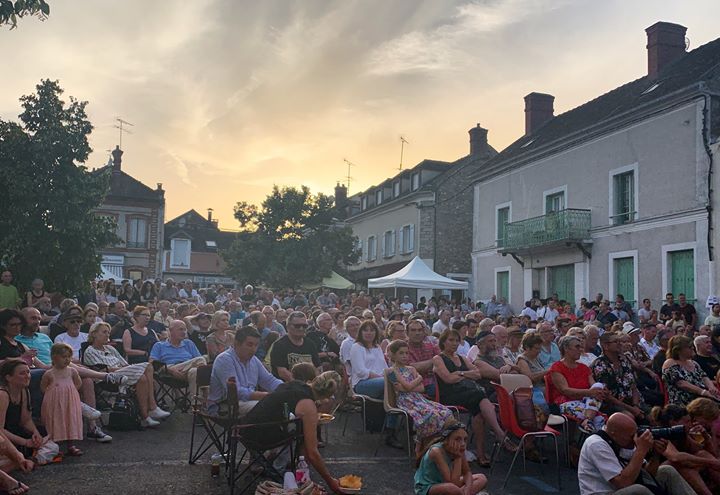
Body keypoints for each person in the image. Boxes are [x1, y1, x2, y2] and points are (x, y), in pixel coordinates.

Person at [241, 366, 345, 494]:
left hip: (245, 429)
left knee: (300, 428)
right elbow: (313, 453)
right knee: (305, 437)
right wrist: (331, 483)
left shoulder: (296, 385)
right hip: (259, 438)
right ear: (329, 396)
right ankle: (300, 478)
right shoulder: (308, 405)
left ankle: (301, 478)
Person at [432, 329, 515, 466]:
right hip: (449, 395)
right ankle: (499, 435)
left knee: (479, 413)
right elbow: (448, 379)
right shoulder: (438, 358)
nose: (454, 343)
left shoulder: (462, 358)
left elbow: (477, 374)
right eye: (450, 340)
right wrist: (464, 374)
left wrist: (459, 374)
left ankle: (481, 454)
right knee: (481, 396)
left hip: (468, 394)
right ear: (443, 342)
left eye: (456, 340)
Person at [578, 412, 696, 495]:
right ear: (613, 433)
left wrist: (656, 455)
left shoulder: (624, 441)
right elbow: (623, 483)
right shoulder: (596, 444)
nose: (633, 439)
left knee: (666, 471)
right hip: (606, 492)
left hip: (625, 487)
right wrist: (641, 450)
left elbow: (647, 474)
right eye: (630, 436)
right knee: (637, 490)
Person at [83, 322, 169, 428]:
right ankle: (152, 406)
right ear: (94, 334)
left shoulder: (110, 349)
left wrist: (129, 368)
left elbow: (125, 363)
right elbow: (102, 370)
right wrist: (127, 368)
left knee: (142, 378)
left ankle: (146, 416)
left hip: (123, 372)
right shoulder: (90, 351)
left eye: (108, 332)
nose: (107, 335)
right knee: (148, 366)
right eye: (104, 332)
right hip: (107, 377)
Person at [387, 340, 454, 449]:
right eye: (401, 353)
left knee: (444, 411)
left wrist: (408, 386)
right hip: (406, 401)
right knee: (430, 414)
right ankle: (426, 444)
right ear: (394, 355)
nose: (405, 356)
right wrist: (419, 378)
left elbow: (422, 388)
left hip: (418, 398)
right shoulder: (391, 371)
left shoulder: (412, 368)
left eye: (407, 353)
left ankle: (441, 443)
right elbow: (408, 387)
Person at [208, 326, 282, 416]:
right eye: (249, 345)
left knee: (287, 409)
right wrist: (267, 396)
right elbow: (236, 392)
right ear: (237, 344)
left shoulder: (254, 360)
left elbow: (269, 380)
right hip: (225, 405)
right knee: (273, 408)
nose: (254, 349)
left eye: (256, 345)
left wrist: (286, 388)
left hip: (247, 402)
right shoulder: (224, 360)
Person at [649, 402, 720, 495]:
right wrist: (711, 462)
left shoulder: (683, 435)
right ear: (673, 422)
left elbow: (707, 453)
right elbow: (675, 457)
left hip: (683, 468)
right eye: (687, 422)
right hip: (661, 474)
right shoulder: (662, 434)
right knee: (682, 467)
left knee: (701, 454)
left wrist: (706, 437)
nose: (690, 424)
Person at [549, 336, 608, 433]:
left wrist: (600, 391)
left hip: (586, 402)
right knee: (598, 420)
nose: (581, 350)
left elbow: (594, 386)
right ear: (566, 348)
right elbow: (565, 390)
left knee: (598, 386)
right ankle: (589, 427)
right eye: (577, 347)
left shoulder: (584, 368)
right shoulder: (557, 367)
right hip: (566, 402)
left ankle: (587, 421)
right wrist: (590, 393)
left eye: (581, 347)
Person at [414, 421, 487, 495]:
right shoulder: (436, 451)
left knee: (481, 478)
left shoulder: (459, 448)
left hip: (449, 485)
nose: (462, 443)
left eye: (465, 439)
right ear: (447, 440)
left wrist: (468, 489)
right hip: (429, 487)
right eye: (457, 439)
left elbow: (467, 472)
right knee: (451, 488)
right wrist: (457, 457)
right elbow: (452, 483)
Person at [40, 343, 84, 456]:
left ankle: (71, 445)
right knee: (56, 421)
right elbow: (43, 387)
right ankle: (55, 446)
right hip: (55, 402)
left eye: (69, 357)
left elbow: (78, 383)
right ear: (54, 357)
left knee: (70, 420)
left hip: (70, 401)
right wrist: (53, 395)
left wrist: (71, 392)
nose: (67, 359)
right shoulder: (49, 373)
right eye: (64, 357)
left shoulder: (72, 371)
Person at [591, 333, 645, 420]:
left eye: (620, 341)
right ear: (605, 346)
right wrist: (632, 409)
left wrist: (635, 406)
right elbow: (607, 396)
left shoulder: (625, 360)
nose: (620, 344)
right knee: (629, 417)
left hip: (633, 402)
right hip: (614, 405)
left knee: (654, 416)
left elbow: (633, 387)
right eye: (616, 341)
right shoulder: (600, 365)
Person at [149, 320, 207, 394]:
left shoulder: (188, 343)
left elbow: (200, 365)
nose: (184, 332)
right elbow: (152, 362)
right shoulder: (159, 345)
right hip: (169, 370)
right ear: (171, 331)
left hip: (187, 369)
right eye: (180, 329)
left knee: (194, 371)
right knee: (201, 359)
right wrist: (170, 370)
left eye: (185, 329)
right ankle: (206, 393)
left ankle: (196, 404)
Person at [0, 361, 44, 456]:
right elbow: (0, 429)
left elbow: (26, 420)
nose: (27, 376)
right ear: (8, 377)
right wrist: (25, 442)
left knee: (49, 444)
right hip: (5, 437)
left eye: (28, 372)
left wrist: (35, 433)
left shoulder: (24, 390)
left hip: (17, 431)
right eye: (22, 373)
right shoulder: (3, 395)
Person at [662, 335, 720, 406]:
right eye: (689, 347)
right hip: (685, 400)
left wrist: (711, 387)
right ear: (678, 350)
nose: (693, 348)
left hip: (703, 397)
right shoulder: (670, 363)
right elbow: (681, 383)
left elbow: (704, 377)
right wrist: (703, 392)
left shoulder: (693, 363)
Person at [269, 311, 319, 382]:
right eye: (297, 326)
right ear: (288, 326)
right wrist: (300, 386)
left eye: (304, 326)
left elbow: (317, 368)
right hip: (287, 387)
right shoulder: (279, 345)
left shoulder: (310, 344)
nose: (301, 328)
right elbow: (282, 372)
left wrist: (314, 384)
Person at [349, 321, 387, 399]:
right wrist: (380, 377)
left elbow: (384, 367)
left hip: (380, 380)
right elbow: (360, 371)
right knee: (388, 383)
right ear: (361, 332)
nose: (369, 333)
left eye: (372, 330)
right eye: (365, 330)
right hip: (362, 382)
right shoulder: (356, 347)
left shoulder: (377, 347)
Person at [406, 319, 440, 396]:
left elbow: (442, 360)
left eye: (420, 330)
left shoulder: (430, 345)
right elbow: (410, 368)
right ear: (407, 333)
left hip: (435, 381)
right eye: (413, 330)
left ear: (424, 332)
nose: (417, 333)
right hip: (416, 386)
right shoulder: (403, 348)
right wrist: (435, 360)